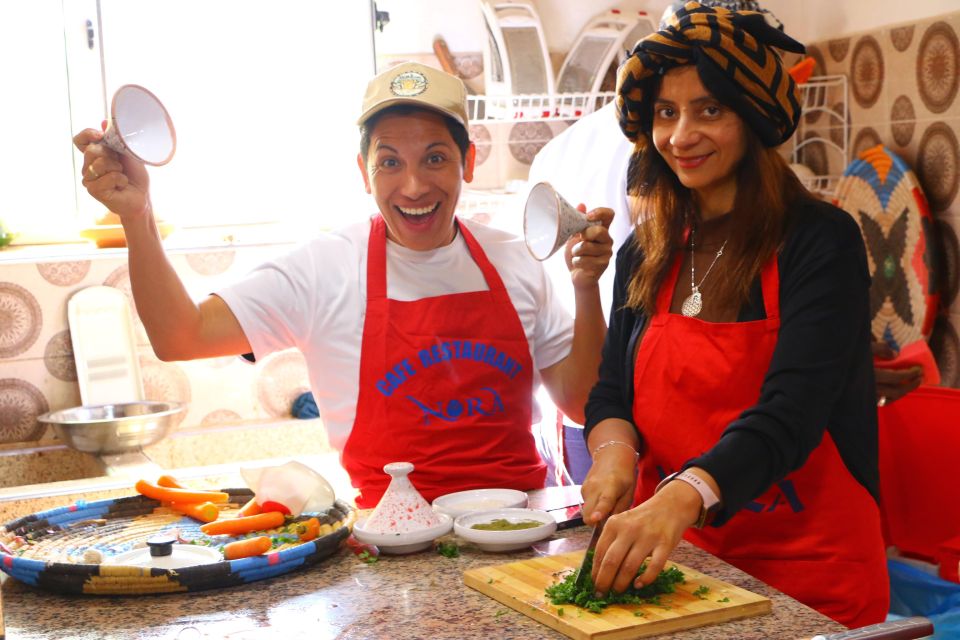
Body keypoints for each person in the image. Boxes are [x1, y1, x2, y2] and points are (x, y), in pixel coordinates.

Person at [73, 61, 614, 509]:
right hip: (389, 548)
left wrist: (585, 286)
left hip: (523, 532)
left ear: (467, 161)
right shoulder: (325, 268)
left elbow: (582, 402)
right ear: (363, 172)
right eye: (389, 162)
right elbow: (180, 335)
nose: (413, 185)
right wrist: (138, 215)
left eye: (435, 158)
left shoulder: (514, 258)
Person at [580, 2, 888, 628]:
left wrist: (683, 495)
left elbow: (794, 410)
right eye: (666, 113)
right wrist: (613, 450)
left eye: (709, 110)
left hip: (810, 573)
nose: (681, 135)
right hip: (678, 566)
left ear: (752, 117)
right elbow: (613, 387)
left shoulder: (817, 239)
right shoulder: (648, 248)